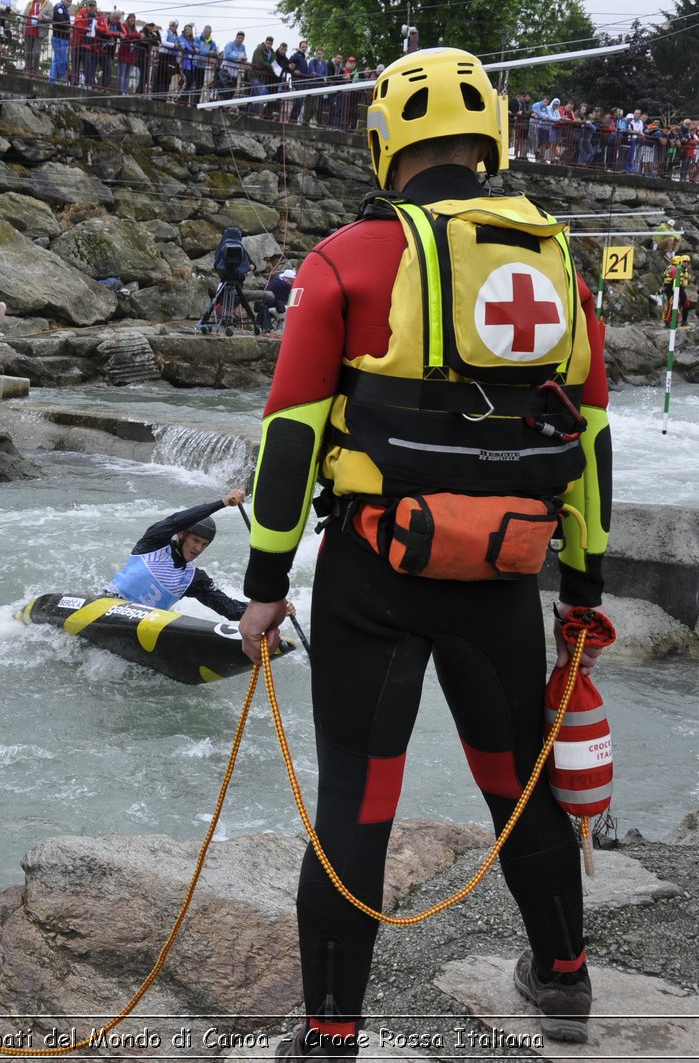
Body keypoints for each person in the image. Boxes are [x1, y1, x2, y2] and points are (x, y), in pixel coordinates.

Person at [236, 48, 611, 1055]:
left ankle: (329, 1033)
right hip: (504, 573)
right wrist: (584, 585)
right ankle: (565, 978)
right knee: (512, 777)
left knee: (359, 796)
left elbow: (290, 432)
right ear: (490, 140)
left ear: (383, 141)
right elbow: (593, 438)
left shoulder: (344, 260)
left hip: (375, 574)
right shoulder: (560, 262)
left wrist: (263, 583)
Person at [106, 489, 259, 621]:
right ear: (181, 534)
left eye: (204, 544)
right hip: (109, 605)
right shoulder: (153, 544)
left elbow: (230, 609)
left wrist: (268, 610)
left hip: (142, 624)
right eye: (195, 540)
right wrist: (223, 503)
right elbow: (176, 521)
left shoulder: (193, 578)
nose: (198, 548)